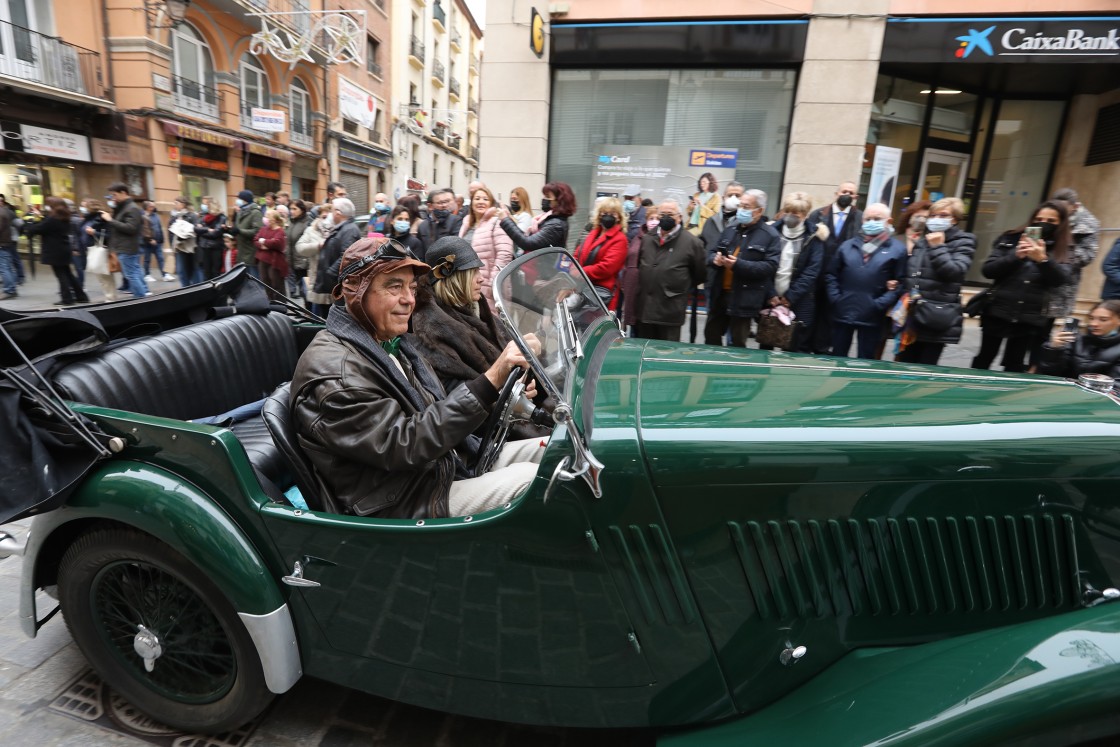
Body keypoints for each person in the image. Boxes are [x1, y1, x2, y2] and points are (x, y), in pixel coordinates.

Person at [290, 237, 545, 518]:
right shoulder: (336, 375)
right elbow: (406, 444)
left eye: (412, 288)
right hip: (407, 499)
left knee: (556, 452)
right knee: (537, 481)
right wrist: (493, 378)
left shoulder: (389, 343)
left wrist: (502, 389)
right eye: (394, 286)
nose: (409, 299)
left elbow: (437, 408)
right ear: (353, 291)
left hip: (443, 466)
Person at [972, 201, 1073, 373]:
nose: (1043, 223)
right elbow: (988, 270)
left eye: (1051, 221)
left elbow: (1060, 280)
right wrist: (1015, 256)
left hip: (1030, 316)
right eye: (1039, 218)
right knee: (985, 356)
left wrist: (1043, 260)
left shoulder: (1064, 248)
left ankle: (1006, 397)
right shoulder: (1011, 238)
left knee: (1015, 362)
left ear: (1061, 223)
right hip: (998, 309)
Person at [409, 236, 512, 394]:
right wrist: (509, 392)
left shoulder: (476, 309)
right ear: (453, 279)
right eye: (473, 272)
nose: (481, 278)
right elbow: (460, 392)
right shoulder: (431, 328)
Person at [895, 197, 976, 365]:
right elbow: (914, 273)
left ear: (954, 219)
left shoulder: (964, 241)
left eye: (943, 215)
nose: (936, 219)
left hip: (936, 316)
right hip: (913, 315)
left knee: (925, 369)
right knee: (904, 365)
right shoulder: (923, 240)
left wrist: (939, 246)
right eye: (933, 215)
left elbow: (955, 272)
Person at [826, 202, 906, 359]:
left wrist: (879, 304)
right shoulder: (847, 246)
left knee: (866, 360)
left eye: (877, 218)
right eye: (868, 219)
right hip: (844, 310)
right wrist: (836, 298)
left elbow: (900, 282)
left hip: (872, 315)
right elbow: (831, 275)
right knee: (837, 359)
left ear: (888, 221)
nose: (871, 222)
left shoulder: (897, 249)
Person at [705, 189, 781, 347]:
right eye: (740, 206)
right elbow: (711, 252)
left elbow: (770, 266)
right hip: (720, 295)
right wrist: (715, 259)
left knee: (737, 343)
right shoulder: (731, 229)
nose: (741, 210)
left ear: (759, 211)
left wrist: (738, 265)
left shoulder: (770, 235)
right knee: (711, 337)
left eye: (746, 207)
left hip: (744, 298)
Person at [632, 199, 706, 341]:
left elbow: (700, 274)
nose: (666, 217)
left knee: (665, 352)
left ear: (679, 217)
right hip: (645, 310)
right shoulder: (647, 238)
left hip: (670, 311)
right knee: (644, 352)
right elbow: (639, 266)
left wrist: (677, 286)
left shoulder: (693, 243)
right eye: (662, 214)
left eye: (670, 214)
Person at [763, 191, 828, 352]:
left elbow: (812, 272)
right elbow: (764, 265)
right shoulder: (771, 232)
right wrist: (771, 294)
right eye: (788, 212)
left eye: (796, 213)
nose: (791, 216)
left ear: (805, 215)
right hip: (771, 298)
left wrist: (790, 297)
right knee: (766, 342)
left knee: (796, 347)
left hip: (800, 300)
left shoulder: (814, 237)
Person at [806, 181, 863, 354]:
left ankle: (823, 348)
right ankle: (805, 346)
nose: (847, 194)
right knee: (811, 310)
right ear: (836, 193)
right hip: (817, 272)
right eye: (844, 191)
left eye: (851, 192)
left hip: (842, 276)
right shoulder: (818, 214)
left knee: (831, 313)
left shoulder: (861, 218)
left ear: (855, 197)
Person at [1041, 188, 1101, 355]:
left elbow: (1088, 255)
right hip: (1037, 279)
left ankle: (1037, 365)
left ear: (1075, 206)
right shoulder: (1048, 216)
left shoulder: (1088, 224)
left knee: (1044, 328)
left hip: (1062, 282)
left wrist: (1059, 253)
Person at [458, 185, 513, 311]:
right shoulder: (466, 223)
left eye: (485, 199)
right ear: (471, 203)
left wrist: (493, 283)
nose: (481, 202)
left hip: (488, 287)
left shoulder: (497, 222)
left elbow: (505, 254)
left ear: (491, 203)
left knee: (490, 324)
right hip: (465, 285)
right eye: (477, 198)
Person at [25, 197, 88, 305]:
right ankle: (81, 296)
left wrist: (30, 223)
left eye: (49, 205)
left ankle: (67, 299)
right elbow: (47, 225)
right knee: (68, 273)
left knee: (61, 275)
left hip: (55, 250)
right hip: (63, 248)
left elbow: (38, 229)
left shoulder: (52, 219)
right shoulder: (65, 217)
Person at [1038, 300, 1120, 384]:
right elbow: (1049, 374)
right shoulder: (1076, 340)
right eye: (1091, 318)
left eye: (1103, 320)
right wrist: (1054, 349)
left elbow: (1116, 386)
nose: (1094, 324)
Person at [308, 197, 361, 318]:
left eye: (332, 211)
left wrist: (330, 273)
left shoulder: (350, 230)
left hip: (335, 285)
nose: (330, 214)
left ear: (338, 213)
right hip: (330, 285)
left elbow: (347, 256)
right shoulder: (341, 228)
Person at [573, 196, 628, 310]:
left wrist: (580, 272)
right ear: (599, 214)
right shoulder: (594, 232)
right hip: (582, 288)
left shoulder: (620, 239)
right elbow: (578, 253)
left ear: (619, 217)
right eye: (604, 213)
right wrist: (572, 266)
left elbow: (606, 267)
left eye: (613, 214)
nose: (608, 216)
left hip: (599, 295)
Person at [496, 182, 575, 254]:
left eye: (548, 196)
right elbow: (525, 237)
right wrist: (508, 218)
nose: (544, 199)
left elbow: (528, 243)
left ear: (559, 201)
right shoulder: (548, 219)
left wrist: (505, 220)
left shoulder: (556, 224)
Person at [101, 183, 147, 297]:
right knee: (134, 273)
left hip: (128, 247)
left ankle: (141, 298)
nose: (113, 198)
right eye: (111, 195)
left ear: (123, 193)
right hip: (124, 246)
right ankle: (142, 297)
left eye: (114, 195)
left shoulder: (132, 208)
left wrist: (110, 220)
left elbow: (131, 228)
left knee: (131, 275)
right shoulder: (123, 207)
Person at [79, 199, 114, 302]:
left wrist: (94, 232)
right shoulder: (86, 218)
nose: (82, 208)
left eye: (84, 206)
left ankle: (110, 297)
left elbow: (109, 235)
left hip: (99, 248)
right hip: (91, 249)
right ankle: (108, 296)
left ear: (91, 207)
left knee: (105, 276)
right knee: (100, 277)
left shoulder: (101, 217)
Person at [698, 181, 745, 252]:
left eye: (737, 196)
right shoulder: (711, 221)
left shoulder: (745, 223)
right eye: (730, 195)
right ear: (723, 198)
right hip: (711, 262)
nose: (733, 198)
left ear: (743, 199)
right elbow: (702, 246)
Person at [253, 208, 288, 301]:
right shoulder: (263, 229)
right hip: (262, 260)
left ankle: (281, 304)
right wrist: (264, 244)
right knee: (265, 282)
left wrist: (264, 241)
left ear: (274, 219)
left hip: (275, 262)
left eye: (267, 216)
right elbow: (256, 240)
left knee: (276, 284)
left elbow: (278, 243)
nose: (265, 218)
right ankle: (270, 302)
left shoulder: (280, 231)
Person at [168, 196, 199, 286]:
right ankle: (185, 289)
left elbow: (194, 230)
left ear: (183, 204)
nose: (175, 205)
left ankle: (195, 289)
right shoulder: (174, 217)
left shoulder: (191, 215)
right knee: (181, 271)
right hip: (178, 247)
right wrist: (172, 245)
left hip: (189, 247)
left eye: (176, 203)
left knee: (191, 269)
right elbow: (170, 231)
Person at [231, 189, 263, 276]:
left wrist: (240, 231)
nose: (237, 201)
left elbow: (258, 231)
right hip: (241, 250)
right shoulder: (240, 212)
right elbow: (238, 227)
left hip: (250, 250)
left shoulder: (256, 212)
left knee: (253, 277)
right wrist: (232, 231)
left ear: (244, 199)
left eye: (239, 198)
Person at [194, 197, 227, 280]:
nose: (205, 207)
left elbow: (215, 233)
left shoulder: (221, 217)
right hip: (204, 247)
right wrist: (207, 229)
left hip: (216, 248)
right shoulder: (203, 216)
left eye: (207, 205)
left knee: (215, 272)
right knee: (206, 272)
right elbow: (195, 229)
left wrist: (202, 230)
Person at [286, 199, 311, 300]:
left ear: (302, 210)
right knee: (301, 290)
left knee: (305, 289)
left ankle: (308, 313)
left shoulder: (307, 223)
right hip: (293, 260)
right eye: (290, 209)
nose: (291, 211)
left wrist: (306, 261)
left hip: (303, 261)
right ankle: (306, 312)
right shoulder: (292, 222)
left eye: (294, 209)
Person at [140, 200, 171, 283]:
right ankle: (147, 275)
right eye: (152, 206)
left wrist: (161, 239)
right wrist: (149, 239)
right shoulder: (142, 216)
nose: (154, 208)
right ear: (147, 207)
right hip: (147, 243)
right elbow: (143, 230)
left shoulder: (156, 216)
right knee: (147, 259)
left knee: (161, 258)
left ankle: (165, 274)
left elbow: (159, 228)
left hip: (157, 242)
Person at [0, 197, 15, 300]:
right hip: (7, 242)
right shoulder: (6, 211)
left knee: (4, 268)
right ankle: (12, 288)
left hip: (2, 243)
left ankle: (9, 290)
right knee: (8, 267)